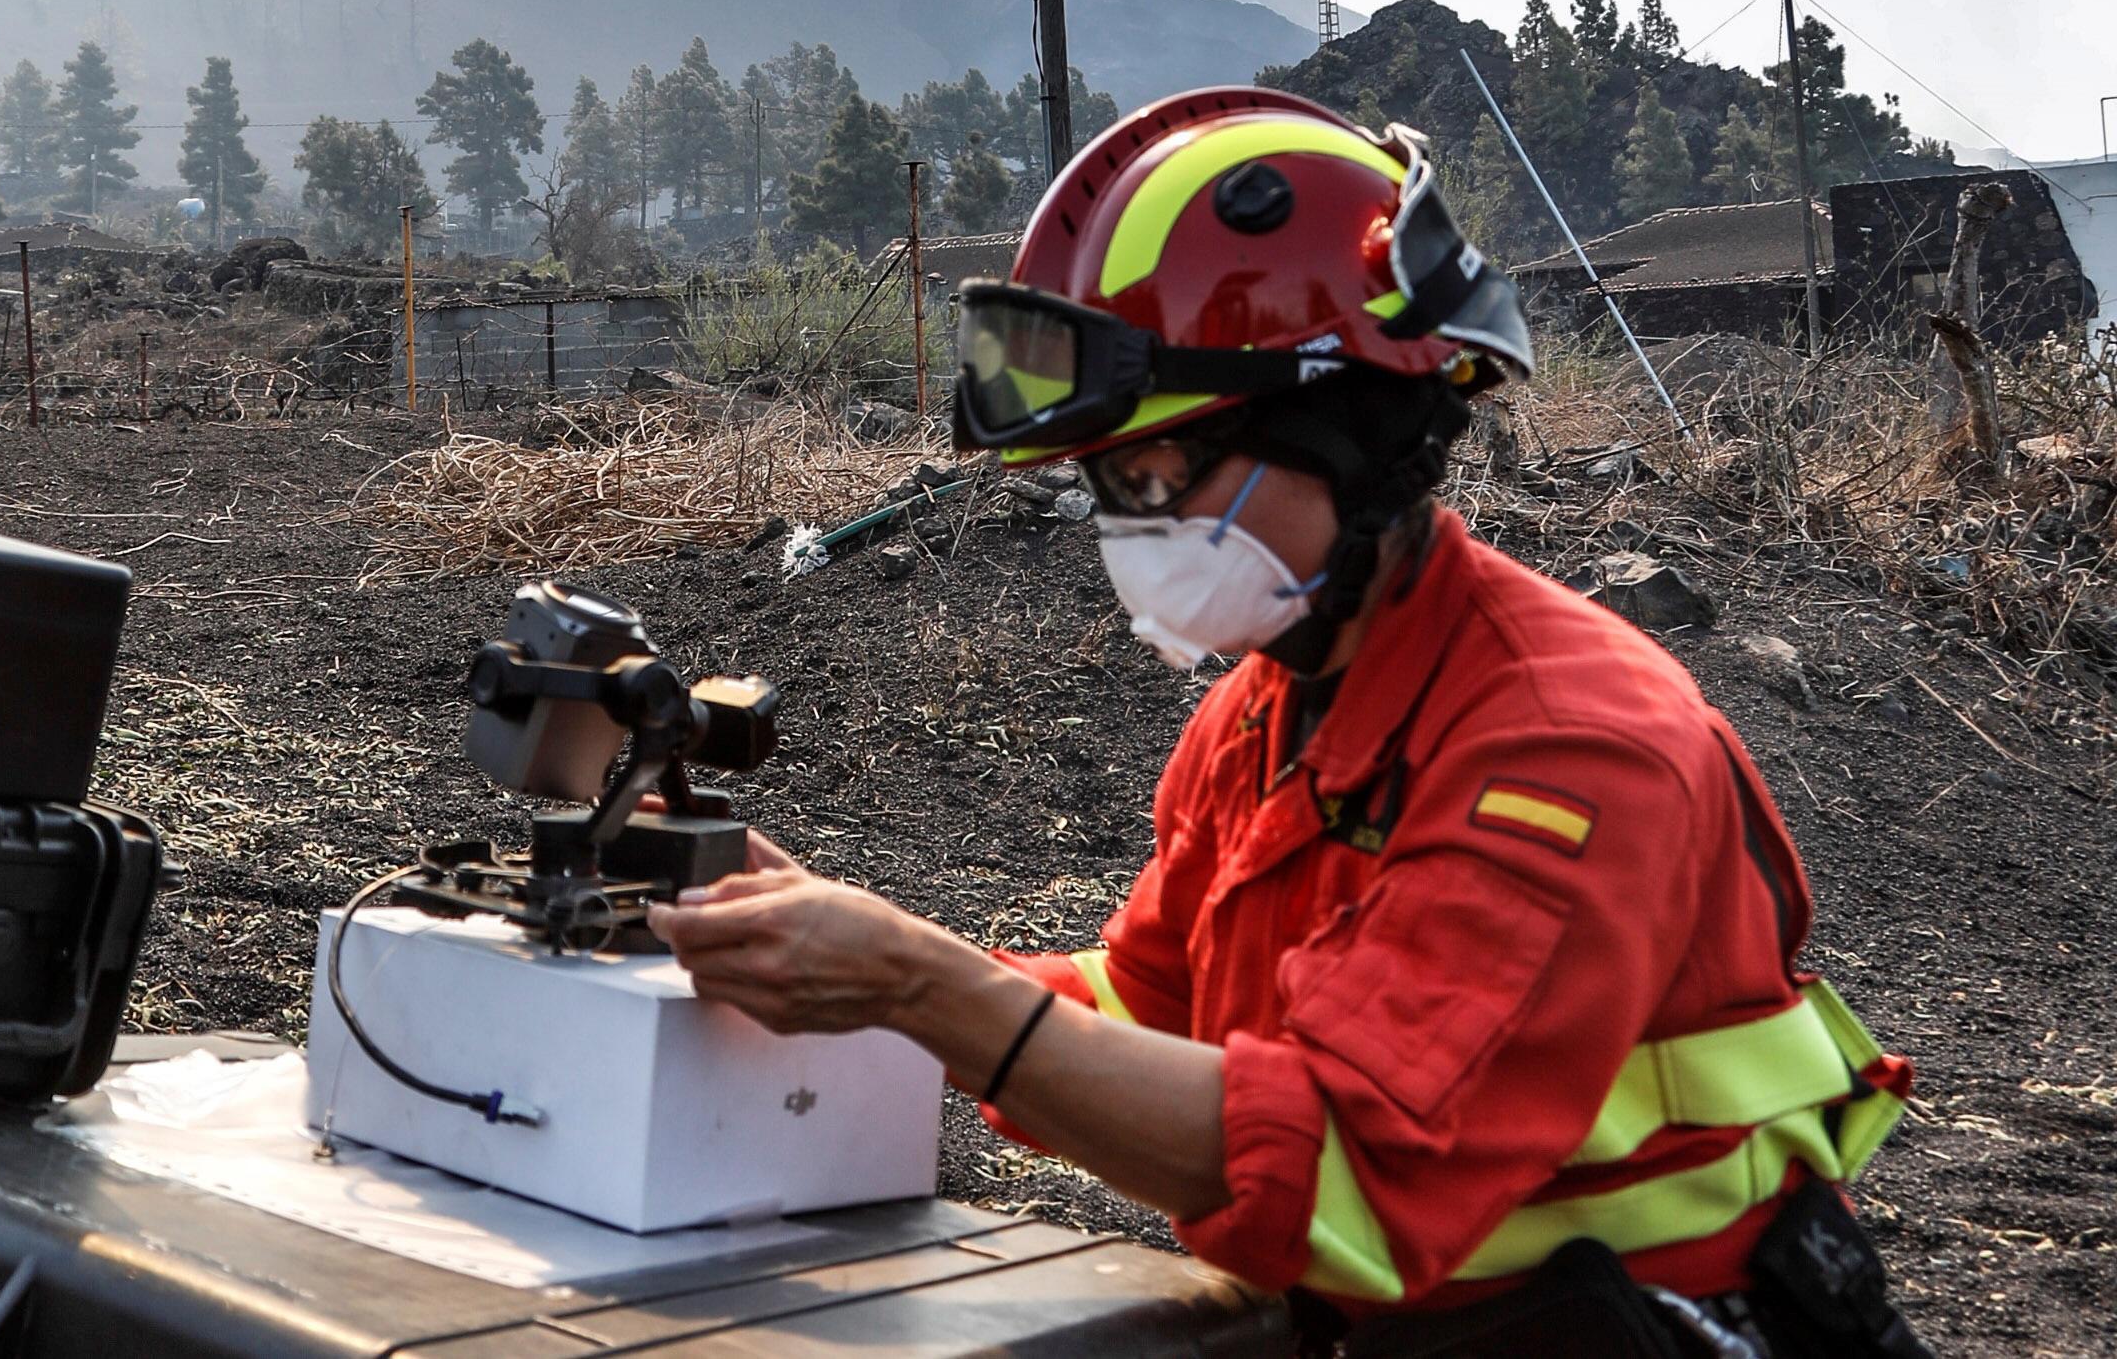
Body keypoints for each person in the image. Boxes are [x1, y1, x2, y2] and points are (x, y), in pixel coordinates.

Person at [649, 87, 1926, 1358]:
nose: (1133, 527)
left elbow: (1346, 1180)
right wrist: (848, 973)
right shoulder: (1262, 715)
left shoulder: (1565, 747)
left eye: (1162, 474)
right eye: (1110, 486)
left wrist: (930, 990)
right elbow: (1140, 1010)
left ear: (1348, 435)